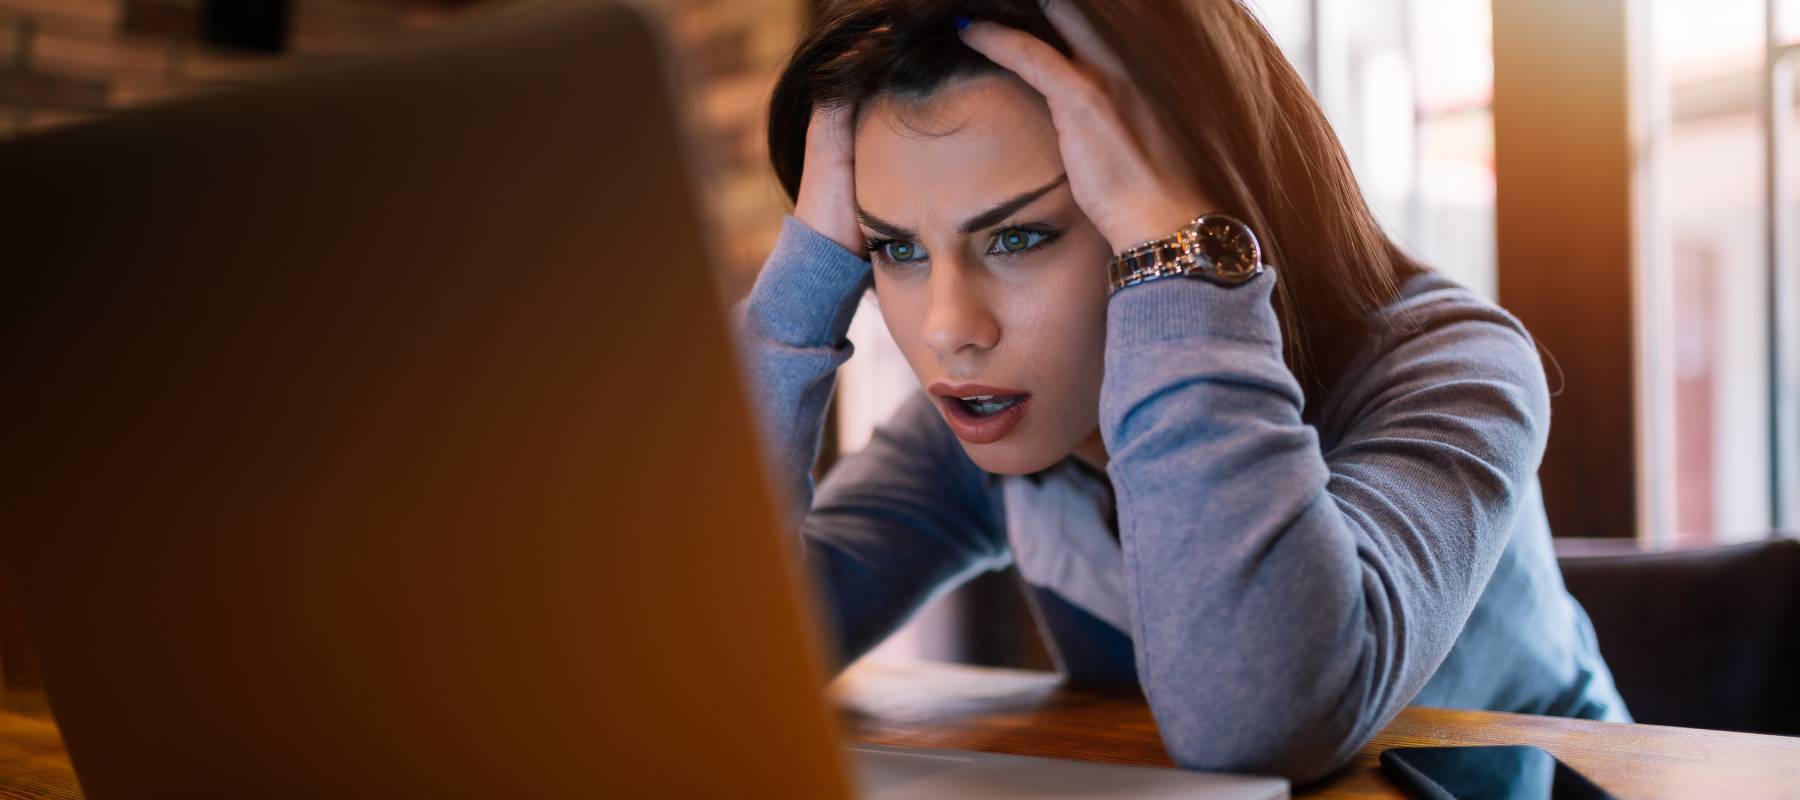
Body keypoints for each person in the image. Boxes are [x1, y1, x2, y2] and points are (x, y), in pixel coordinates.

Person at [731, 0, 1629, 783]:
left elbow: (1260, 723)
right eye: (894, 249)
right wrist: (803, 278)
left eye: (1020, 238)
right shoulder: (988, 415)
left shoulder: (1454, 365)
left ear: (1178, 207)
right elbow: (722, 661)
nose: (945, 327)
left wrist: (1182, 255)